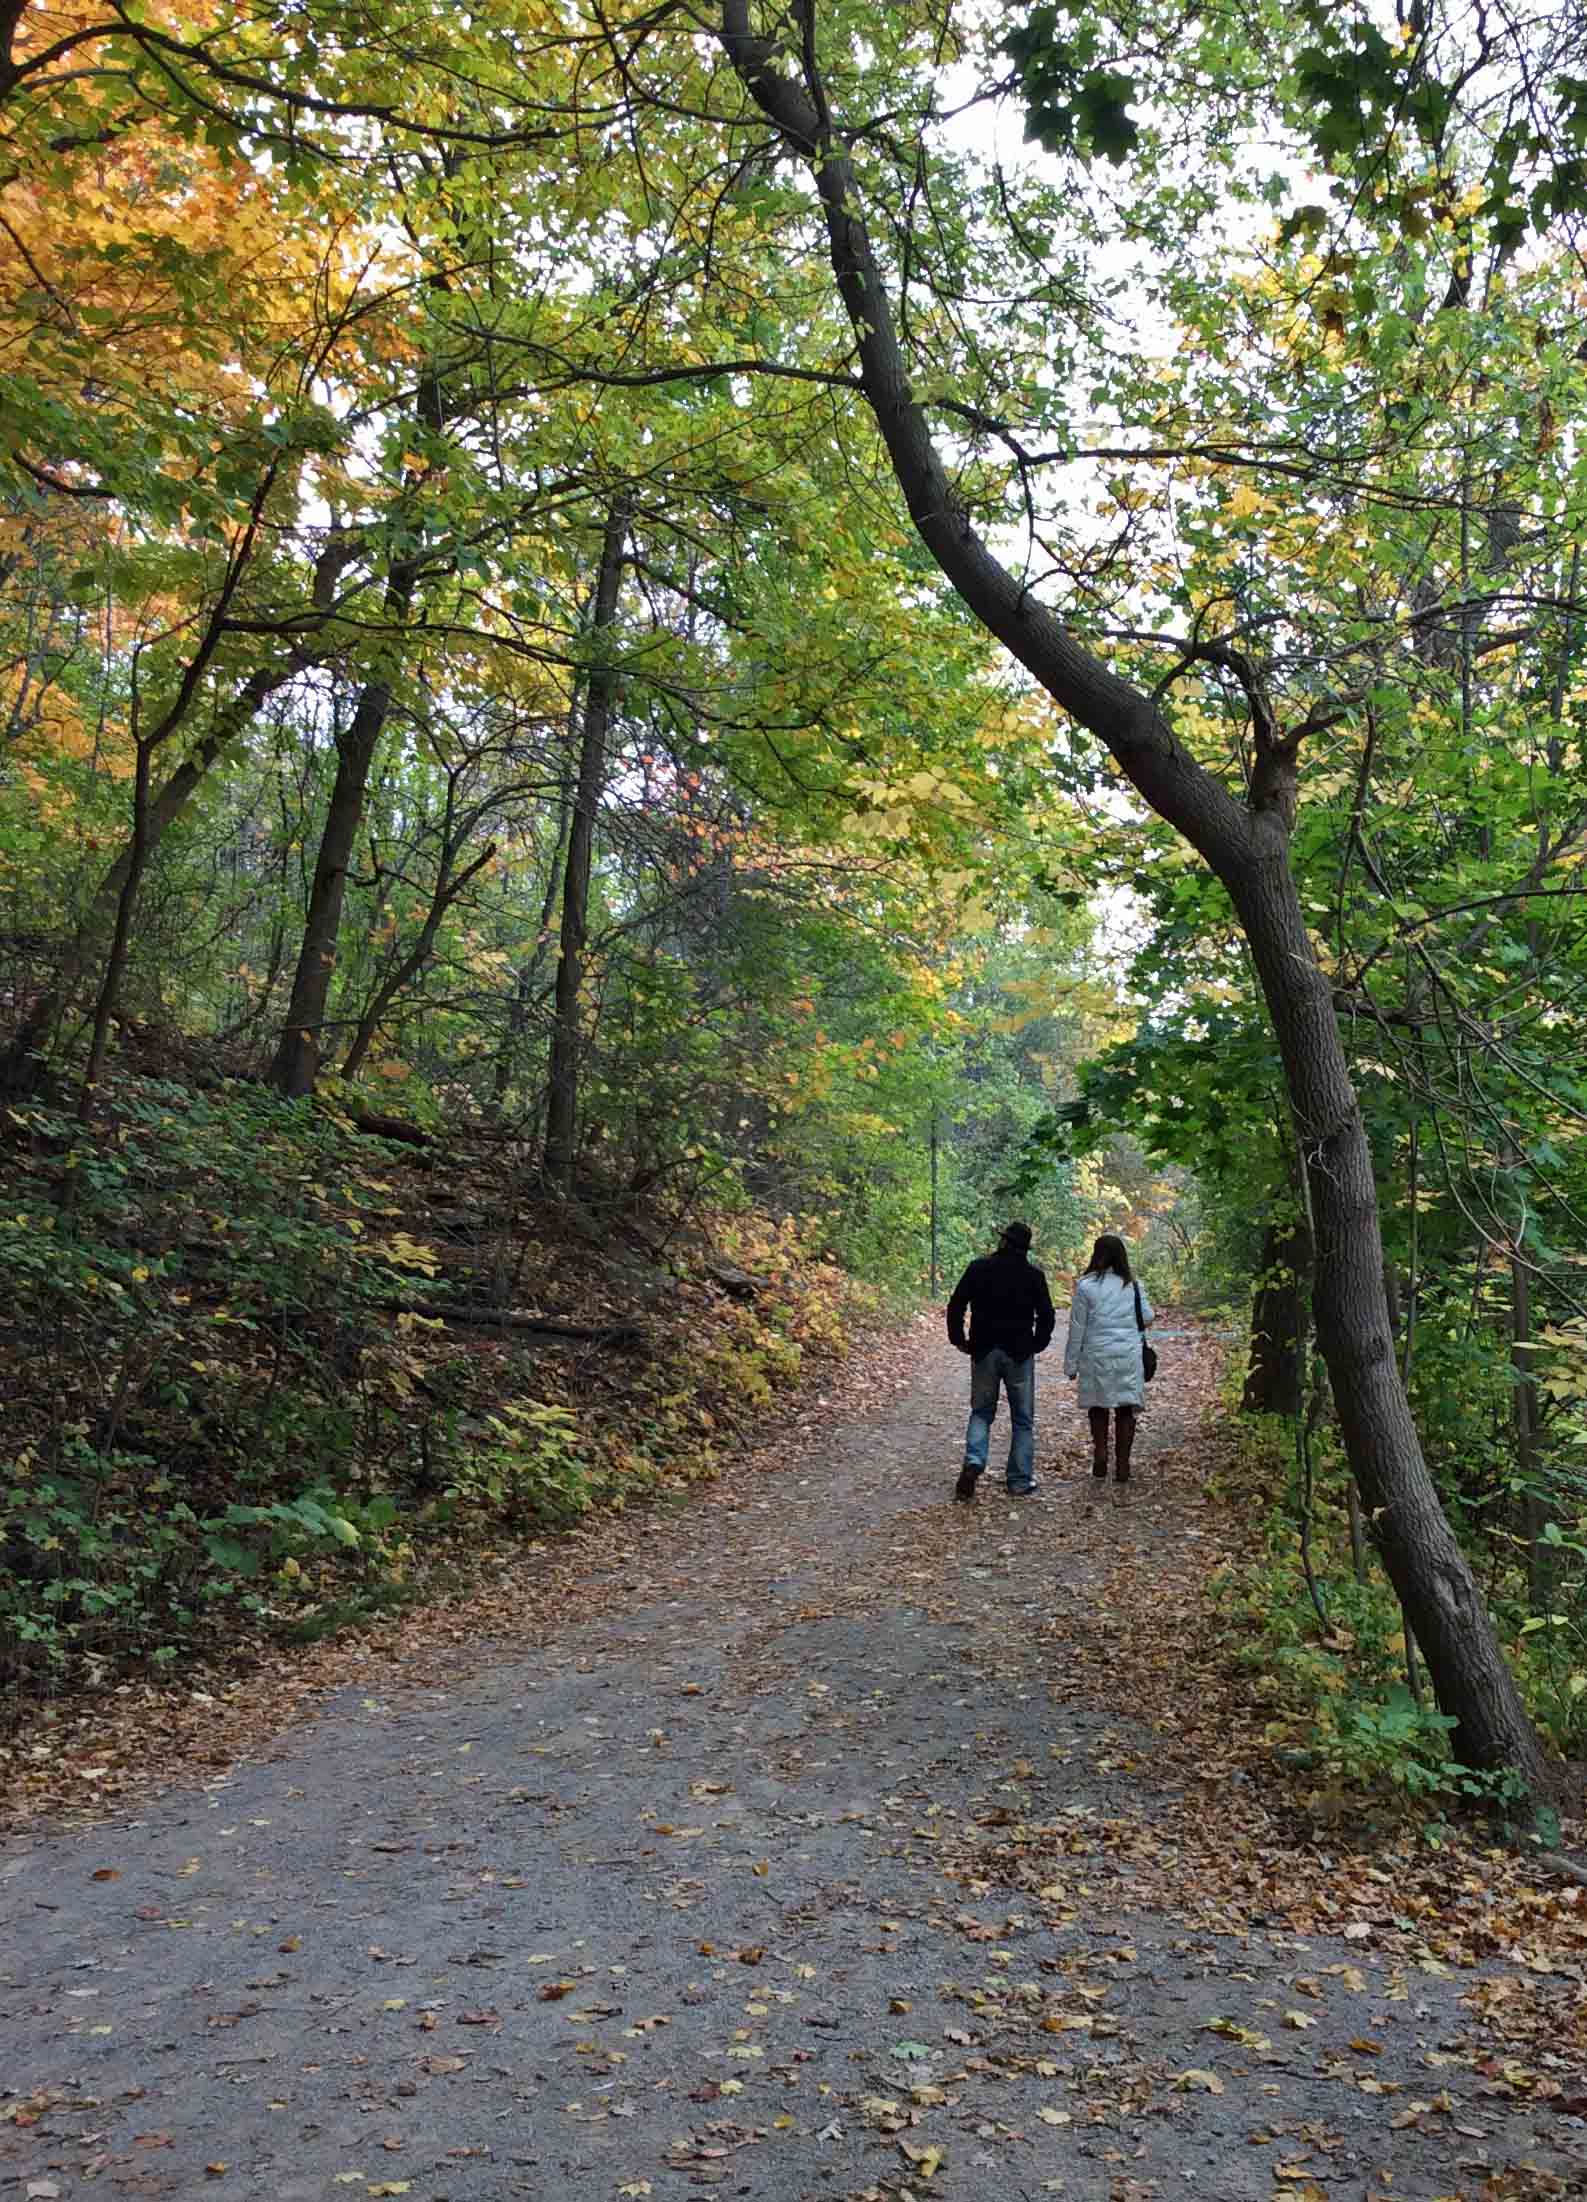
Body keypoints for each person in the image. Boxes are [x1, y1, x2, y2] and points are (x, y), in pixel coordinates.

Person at [945, 1221, 1056, 1501]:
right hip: (1019, 1352)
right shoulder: (1033, 1276)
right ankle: (1018, 1481)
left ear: (1003, 1242)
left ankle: (974, 1461)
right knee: (1023, 1420)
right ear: (1025, 1248)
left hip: (984, 1349)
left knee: (981, 1412)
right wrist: (1036, 1344)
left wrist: (959, 1339)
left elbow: (956, 1304)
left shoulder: (978, 1268)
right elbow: (1047, 1315)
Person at [1063, 1233, 1153, 1498]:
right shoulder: (1134, 1285)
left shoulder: (1086, 1286)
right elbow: (1147, 1317)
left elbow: (1077, 1328)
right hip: (1127, 1353)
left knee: (1098, 1405)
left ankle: (1101, 1453)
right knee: (1126, 1407)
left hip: (1096, 1354)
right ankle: (1123, 1464)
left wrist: (1071, 1365)